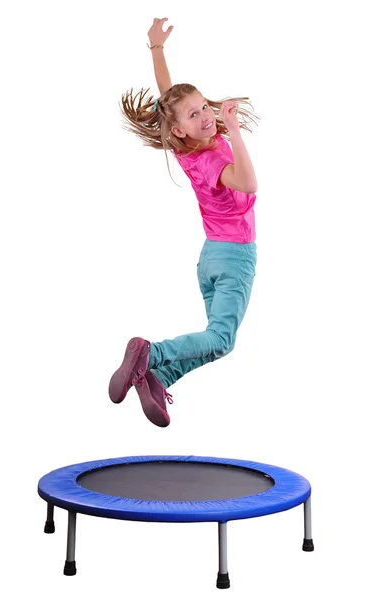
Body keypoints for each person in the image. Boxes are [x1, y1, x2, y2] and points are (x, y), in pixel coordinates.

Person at [109, 17, 260, 428]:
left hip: (211, 257)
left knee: (214, 343)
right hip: (233, 259)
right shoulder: (212, 158)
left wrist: (156, 48)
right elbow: (248, 182)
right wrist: (233, 130)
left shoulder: (184, 145)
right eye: (194, 116)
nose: (205, 118)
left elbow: (167, 97)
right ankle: (151, 354)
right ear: (179, 128)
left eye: (203, 108)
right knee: (221, 340)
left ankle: (158, 376)